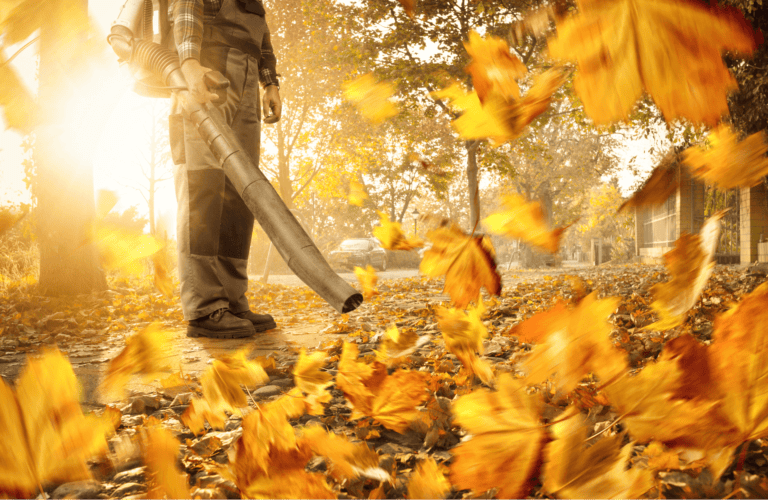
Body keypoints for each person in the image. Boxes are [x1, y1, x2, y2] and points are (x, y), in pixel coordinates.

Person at [169, 0, 281, 338]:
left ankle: (232, 299)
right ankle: (204, 307)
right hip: (207, 70)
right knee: (204, 187)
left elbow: (262, 37)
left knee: (239, 193)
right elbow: (187, 9)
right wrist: (189, 63)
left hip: (246, 74)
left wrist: (270, 81)